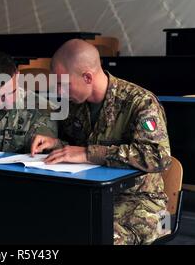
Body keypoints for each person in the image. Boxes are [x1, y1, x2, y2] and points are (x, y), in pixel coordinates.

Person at [30, 39, 171, 245]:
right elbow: (76, 149)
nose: (59, 92)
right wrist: (57, 144)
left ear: (87, 77)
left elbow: (158, 157)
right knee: (39, 221)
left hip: (142, 204)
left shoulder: (139, 102)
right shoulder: (77, 105)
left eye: (63, 84)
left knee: (91, 235)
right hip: (91, 195)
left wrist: (90, 154)